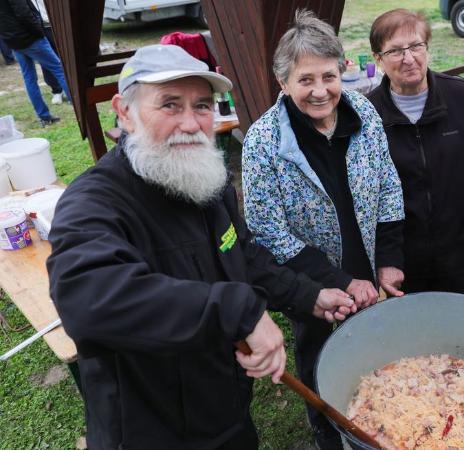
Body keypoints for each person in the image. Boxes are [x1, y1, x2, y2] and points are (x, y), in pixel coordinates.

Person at [47, 44, 356, 449]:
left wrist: (308, 294)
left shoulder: (204, 180)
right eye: (170, 105)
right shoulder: (95, 201)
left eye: (203, 106)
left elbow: (241, 255)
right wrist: (239, 311)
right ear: (124, 111)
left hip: (226, 411)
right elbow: (88, 300)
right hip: (153, 431)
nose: (191, 123)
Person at [242, 10, 404, 450]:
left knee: (373, 343)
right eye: (305, 80)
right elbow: (268, 231)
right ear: (283, 83)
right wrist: (338, 280)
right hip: (309, 278)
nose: (320, 91)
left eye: (328, 77)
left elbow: (388, 185)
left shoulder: (363, 113)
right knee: (317, 353)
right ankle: (327, 425)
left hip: (367, 262)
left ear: (343, 70)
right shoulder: (263, 142)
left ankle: (381, 416)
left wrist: (388, 262)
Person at [367, 9, 464, 295]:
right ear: (378, 59)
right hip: (405, 252)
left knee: (463, 324)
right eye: (395, 51)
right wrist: (384, 255)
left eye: (416, 46)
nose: (409, 58)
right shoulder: (368, 114)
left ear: (427, 47)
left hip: (461, 244)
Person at [0, 0, 71, 126]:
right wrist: (39, 31)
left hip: (13, 40)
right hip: (30, 38)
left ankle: (44, 116)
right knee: (59, 69)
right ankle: (80, 107)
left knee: (29, 78)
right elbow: (23, 13)